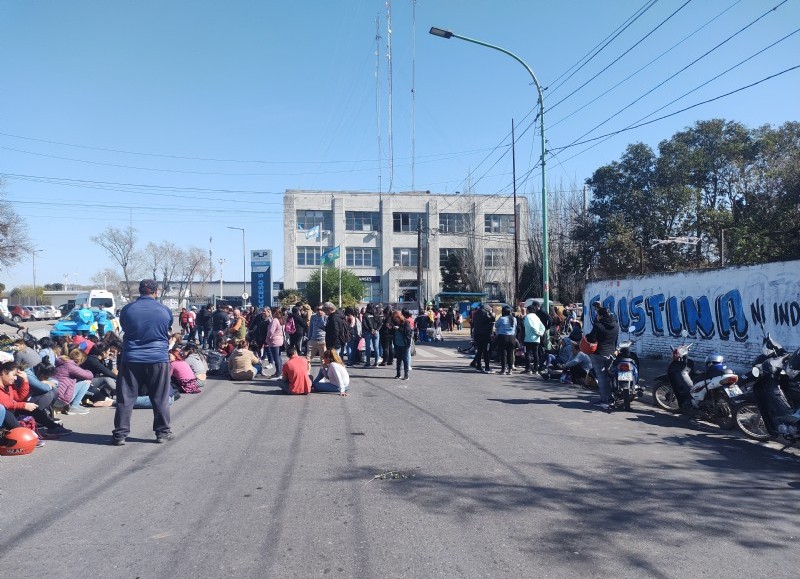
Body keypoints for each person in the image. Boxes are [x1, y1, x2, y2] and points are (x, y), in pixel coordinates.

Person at [111, 279, 174, 445]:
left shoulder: (127, 309)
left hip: (131, 358)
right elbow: (168, 328)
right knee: (160, 397)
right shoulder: (164, 310)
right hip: (158, 358)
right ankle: (162, 433)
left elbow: (124, 327)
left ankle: (120, 435)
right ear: (156, 291)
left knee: (126, 398)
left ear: (140, 291)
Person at [0, 361, 71, 436]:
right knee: (7, 412)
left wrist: (25, 380)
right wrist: (24, 405)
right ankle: (22, 435)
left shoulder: (9, 385)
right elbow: (4, 404)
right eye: (14, 375)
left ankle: (53, 427)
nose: (15, 378)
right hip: (5, 413)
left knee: (35, 409)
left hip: (11, 410)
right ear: (4, 372)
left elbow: (20, 399)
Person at [584, 306, 619, 409]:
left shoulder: (598, 325)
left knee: (601, 378)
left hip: (599, 354)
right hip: (611, 354)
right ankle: (612, 398)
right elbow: (615, 340)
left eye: (598, 315)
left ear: (602, 316)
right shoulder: (616, 325)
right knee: (610, 377)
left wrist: (586, 337)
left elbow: (592, 338)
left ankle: (605, 401)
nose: (597, 316)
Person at [54, 349, 94, 415]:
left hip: (55, 396)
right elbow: (89, 376)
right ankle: (74, 406)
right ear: (80, 359)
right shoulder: (70, 366)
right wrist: (88, 371)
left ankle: (75, 405)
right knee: (85, 382)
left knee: (80, 381)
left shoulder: (63, 362)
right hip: (61, 399)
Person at [470, 304, 495, 373]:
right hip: (484, 335)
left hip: (477, 334)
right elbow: (492, 319)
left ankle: (478, 365)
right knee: (486, 351)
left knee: (479, 350)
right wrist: (491, 313)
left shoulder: (476, 313)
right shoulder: (485, 313)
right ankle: (487, 367)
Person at [523, 303, 545, 374]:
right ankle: (535, 369)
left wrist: (537, 332)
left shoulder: (527, 317)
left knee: (528, 353)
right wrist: (540, 333)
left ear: (528, 310)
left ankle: (528, 369)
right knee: (536, 354)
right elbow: (543, 327)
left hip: (529, 338)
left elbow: (532, 327)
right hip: (536, 339)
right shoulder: (537, 317)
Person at [494, 305, 517, 375]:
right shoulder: (514, 319)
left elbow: (496, 325)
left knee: (503, 354)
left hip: (502, 337)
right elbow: (515, 327)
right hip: (512, 337)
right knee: (510, 353)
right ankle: (510, 369)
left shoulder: (501, 319)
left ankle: (503, 369)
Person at [392, 311, 413, 381]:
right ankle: (398, 374)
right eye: (395, 318)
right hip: (397, 343)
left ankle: (406, 375)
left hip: (404, 343)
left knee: (405, 359)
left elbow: (407, 332)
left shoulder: (406, 322)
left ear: (399, 317)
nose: (395, 320)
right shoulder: (396, 322)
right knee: (398, 359)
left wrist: (398, 328)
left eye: (396, 318)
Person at [266, 308, 285, 378]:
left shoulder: (274, 321)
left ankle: (278, 372)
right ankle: (280, 370)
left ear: (274, 313)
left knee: (276, 357)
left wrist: (268, 338)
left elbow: (271, 331)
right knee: (279, 356)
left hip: (274, 340)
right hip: (280, 339)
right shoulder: (281, 320)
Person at [361, 303, 380, 368]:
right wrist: (376, 329)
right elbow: (380, 323)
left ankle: (368, 362)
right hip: (376, 332)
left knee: (368, 347)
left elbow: (364, 324)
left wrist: (370, 329)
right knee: (376, 347)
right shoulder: (376, 314)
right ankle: (376, 362)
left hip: (368, 332)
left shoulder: (365, 315)